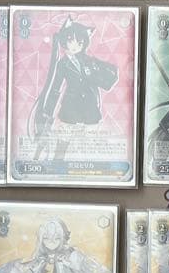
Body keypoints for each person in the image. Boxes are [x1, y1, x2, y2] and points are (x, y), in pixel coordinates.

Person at [30, 17, 118, 163]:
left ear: (84, 43)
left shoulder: (90, 61)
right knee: (63, 141)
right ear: (64, 41)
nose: (75, 45)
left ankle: (90, 167)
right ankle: (57, 163)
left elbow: (108, 78)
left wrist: (94, 74)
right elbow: (55, 88)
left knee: (90, 142)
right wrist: (48, 111)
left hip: (90, 106)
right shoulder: (63, 63)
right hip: (70, 106)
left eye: (80, 42)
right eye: (71, 41)